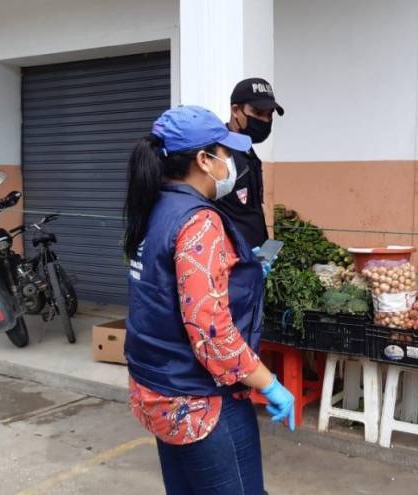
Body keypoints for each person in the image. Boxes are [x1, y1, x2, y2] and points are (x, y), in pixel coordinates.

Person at [123, 105, 294, 495]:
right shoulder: (199, 220)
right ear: (204, 159)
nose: (231, 162)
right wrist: (268, 383)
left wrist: (237, 276)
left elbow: (162, 288)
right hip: (200, 400)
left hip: (155, 390)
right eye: (226, 153)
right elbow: (210, 331)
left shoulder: (151, 207)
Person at [216, 77, 284, 249]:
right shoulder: (219, 154)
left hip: (254, 260)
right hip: (231, 262)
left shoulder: (248, 152)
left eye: (269, 115)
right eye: (258, 113)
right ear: (236, 110)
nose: (265, 121)